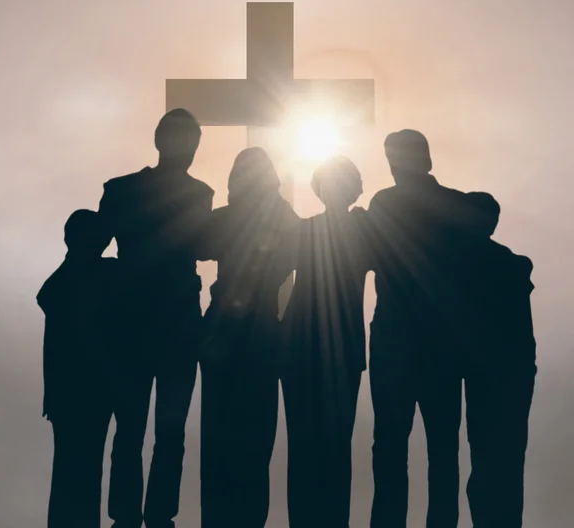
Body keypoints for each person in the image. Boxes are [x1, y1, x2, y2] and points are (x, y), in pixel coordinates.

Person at [98, 108, 214, 528]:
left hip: (144, 324)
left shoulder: (124, 190)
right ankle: (150, 513)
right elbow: (202, 246)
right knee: (158, 430)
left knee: (139, 428)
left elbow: (96, 249)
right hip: (167, 323)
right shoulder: (197, 194)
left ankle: (134, 514)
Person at [367, 130, 475, 528]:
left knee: (390, 448)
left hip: (397, 341)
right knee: (443, 450)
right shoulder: (453, 205)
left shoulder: (383, 205)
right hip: (441, 343)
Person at [199, 147, 299, 528]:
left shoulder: (226, 218)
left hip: (225, 329)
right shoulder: (283, 218)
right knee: (255, 442)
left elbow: (199, 243)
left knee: (221, 441)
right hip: (258, 332)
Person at [281, 155, 370, 528]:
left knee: (304, 447)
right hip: (339, 349)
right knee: (333, 449)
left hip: (301, 345)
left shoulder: (305, 230)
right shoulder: (364, 231)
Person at [38, 209, 118, 528]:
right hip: (86, 391)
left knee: (72, 472)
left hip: (70, 392)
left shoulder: (62, 282)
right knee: (83, 471)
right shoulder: (93, 277)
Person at [461, 192, 536, 528]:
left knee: (485, 463)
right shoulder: (511, 263)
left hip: (487, 375)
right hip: (514, 375)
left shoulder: (461, 263)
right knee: (507, 462)